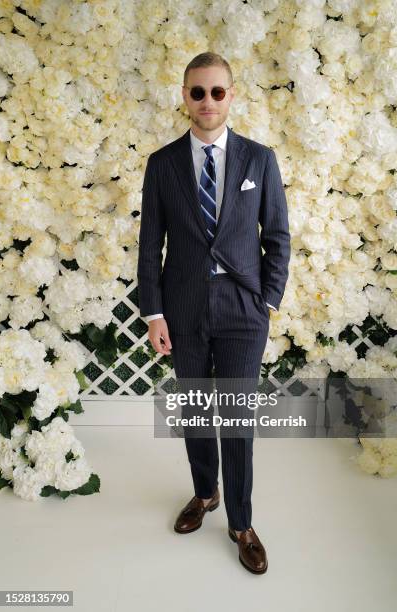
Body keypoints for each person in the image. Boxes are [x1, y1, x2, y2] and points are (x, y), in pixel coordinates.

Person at [137, 51, 290, 574]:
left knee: (238, 417)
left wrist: (267, 301)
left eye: (217, 92)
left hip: (244, 310)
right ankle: (206, 493)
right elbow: (149, 245)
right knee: (199, 411)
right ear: (185, 96)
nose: (207, 101)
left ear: (231, 95)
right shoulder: (161, 165)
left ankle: (241, 522)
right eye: (197, 91)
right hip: (183, 308)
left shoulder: (259, 159)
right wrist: (154, 313)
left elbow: (277, 236)